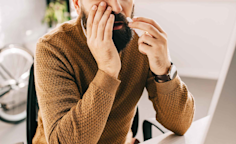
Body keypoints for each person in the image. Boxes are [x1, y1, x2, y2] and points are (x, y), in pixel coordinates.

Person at [32, 0, 195, 144]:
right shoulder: (53, 48)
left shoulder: (142, 44)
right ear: (77, 4)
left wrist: (164, 69)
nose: (117, 7)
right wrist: (107, 71)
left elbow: (181, 124)